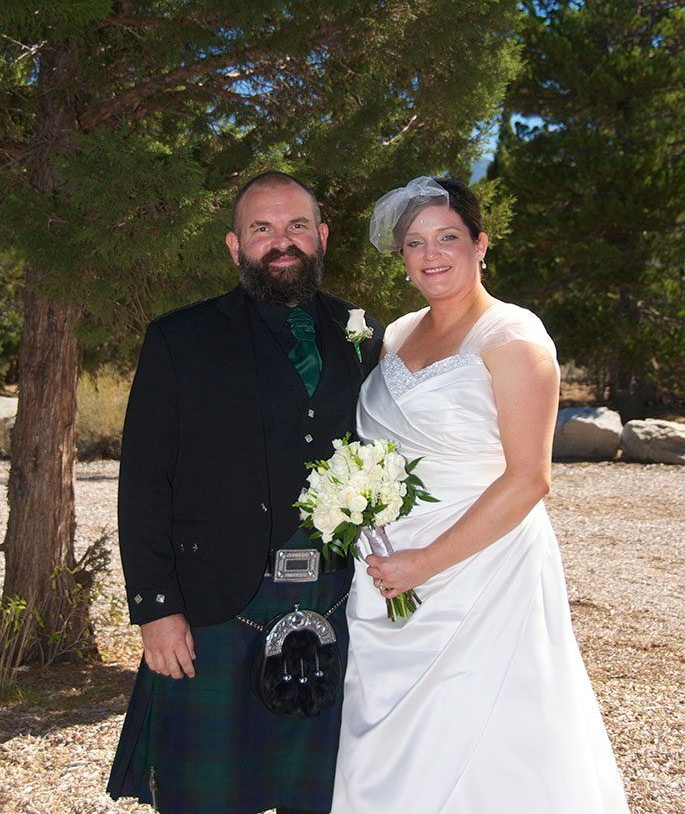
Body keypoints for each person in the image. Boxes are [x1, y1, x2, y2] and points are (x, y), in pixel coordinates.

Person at [332, 176, 630, 814]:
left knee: (484, 734)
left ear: (480, 244)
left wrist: (424, 562)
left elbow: (530, 478)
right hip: (388, 568)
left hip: (481, 569)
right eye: (414, 242)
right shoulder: (394, 335)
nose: (431, 253)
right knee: (388, 746)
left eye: (447, 237)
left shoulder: (514, 339)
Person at [107, 171, 383, 814]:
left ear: (322, 237)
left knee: (322, 795)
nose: (280, 242)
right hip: (214, 607)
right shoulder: (180, 339)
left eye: (295, 226)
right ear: (235, 247)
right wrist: (155, 607)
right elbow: (144, 481)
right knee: (209, 797)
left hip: (337, 601)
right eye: (261, 229)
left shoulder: (367, 336)